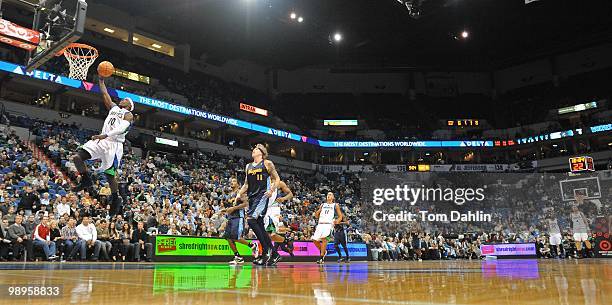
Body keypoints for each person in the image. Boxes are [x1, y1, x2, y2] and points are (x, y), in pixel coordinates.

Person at [71, 75, 134, 217]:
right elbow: (105, 94)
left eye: (125, 99)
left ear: (129, 105)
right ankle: (86, 179)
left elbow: (122, 128)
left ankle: (116, 199)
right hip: (102, 140)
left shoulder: (129, 115)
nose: (122, 99)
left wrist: (105, 135)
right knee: (77, 157)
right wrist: (101, 81)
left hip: (114, 144)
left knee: (109, 175)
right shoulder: (113, 108)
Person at [233, 144, 282, 266]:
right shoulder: (248, 166)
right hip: (252, 197)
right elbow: (246, 184)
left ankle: (267, 252)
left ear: (261, 153)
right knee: (259, 223)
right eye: (253, 150)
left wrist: (271, 190)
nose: (253, 151)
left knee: (251, 220)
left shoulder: (267, 163)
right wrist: (239, 194)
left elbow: (277, 179)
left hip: (262, 196)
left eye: (256, 149)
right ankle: (273, 254)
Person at [220, 177, 257, 265]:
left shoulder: (240, 193)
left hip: (238, 217)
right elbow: (230, 208)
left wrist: (234, 208)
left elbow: (246, 204)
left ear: (238, 184)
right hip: (230, 218)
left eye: (234, 181)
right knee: (228, 238)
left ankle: (252, 245)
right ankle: (238, 257)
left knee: (236, 237)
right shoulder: (229, 195)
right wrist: (225, 210)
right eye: (231, 181)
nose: (231, 182)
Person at [312, 192, 344, 264]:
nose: (328, 196)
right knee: (314, 240)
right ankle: (324, 251)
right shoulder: (322, 205)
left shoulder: (335, 205)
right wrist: (319, 210)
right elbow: (316, 216)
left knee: (324, 239)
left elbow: (340, 216)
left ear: (333, 198)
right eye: (327, 195)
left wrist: (337, 221)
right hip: (320, 224)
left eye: (330, 195)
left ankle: (321, 257)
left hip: (328, 225)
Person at [264, 180, 293, 250]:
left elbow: (290, 194)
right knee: (267, 235)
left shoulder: (279, 183)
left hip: (274, 209)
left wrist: (283, 198)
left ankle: (271, 253)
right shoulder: (262, 181)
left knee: (271, 233)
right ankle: (286, 240)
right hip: (264, 209)